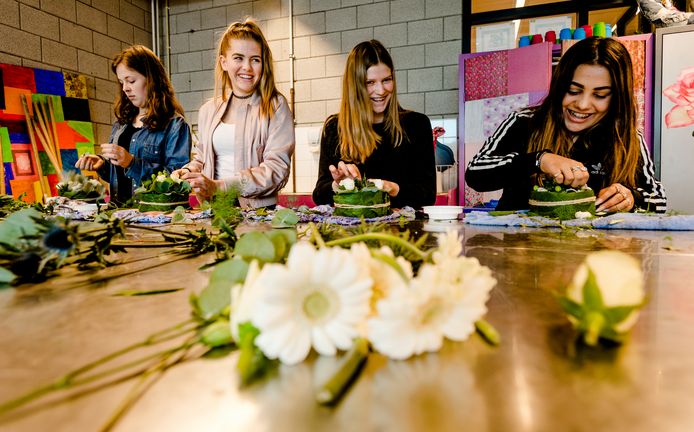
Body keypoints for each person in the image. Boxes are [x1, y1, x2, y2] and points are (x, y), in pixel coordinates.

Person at [465, 37, 667, 214]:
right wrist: (539, 160)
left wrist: (631, 198)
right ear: (559, 86)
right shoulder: (524, 122)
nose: (582, 104)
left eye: (600, 95)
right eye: (573, 90)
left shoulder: (627, 138)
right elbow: (476, 174)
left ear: (616, 99)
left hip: (594, 251)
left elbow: (658, 200)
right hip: (518, 248)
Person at [175, 19, 294, 209]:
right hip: (214, 209)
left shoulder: (275, 106)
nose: (247, 67)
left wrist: (219, 186)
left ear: (263, 64)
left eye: (255, 59)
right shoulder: (208, 111)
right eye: (238, 58)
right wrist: (189, 171)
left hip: (259, 212)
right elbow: (202, 158)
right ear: (224, 62)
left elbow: (276, 169)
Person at [312, 40, 436, 209]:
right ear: (354, 86)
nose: (381, 90)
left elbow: (427, 195)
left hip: (403, 233)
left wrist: (390, 188)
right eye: (370, 83)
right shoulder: (334, 127)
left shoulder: (416, 125)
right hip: (351, 233)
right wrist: (337, 185)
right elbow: (319, 195)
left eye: (386, 80)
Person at [75, 45, 191, 205]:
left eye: (131, 81)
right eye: (121, 82)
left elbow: (178, 181)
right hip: (119, 213)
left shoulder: (174, 125)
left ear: (151, 79)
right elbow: (118, 176)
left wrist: (132, 163)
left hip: (153, 218)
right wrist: (102, 165)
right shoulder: (120, 125)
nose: (125, 88)